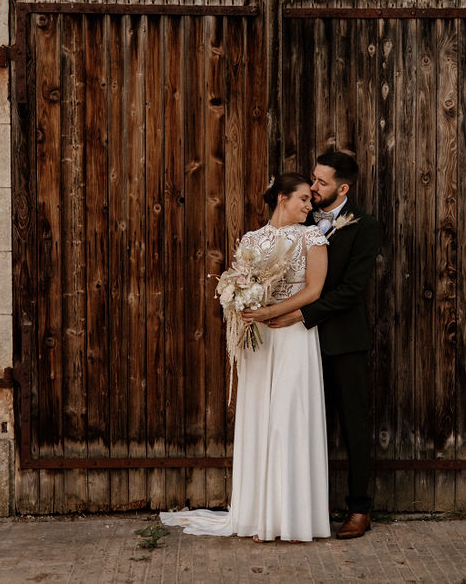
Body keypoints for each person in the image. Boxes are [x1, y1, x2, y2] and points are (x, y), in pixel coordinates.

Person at [160, 173, 332, 542]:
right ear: (282, 198)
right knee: (259, 420)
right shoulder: (252, 240)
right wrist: (240, 303)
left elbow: (315, 291)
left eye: (310, 200)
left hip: (294, 338)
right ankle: (258, 516)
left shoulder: (311, 237)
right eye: (303, 198)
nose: (309, 205)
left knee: (288, 419)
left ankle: (290, 518)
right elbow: (239, 282)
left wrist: (271, 313)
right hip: (259, 342)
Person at [266, 151, 381, 539]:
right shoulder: (304, 216)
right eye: (312, 181)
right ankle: (304, 508)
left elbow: (351, 290)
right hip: (297, 345)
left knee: (352, 424)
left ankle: (359, 510)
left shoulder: (365, 226)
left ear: (343, 188)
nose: (312, 188)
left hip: (341, 339)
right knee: (302, 425)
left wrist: (302, 315)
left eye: (321, 183)